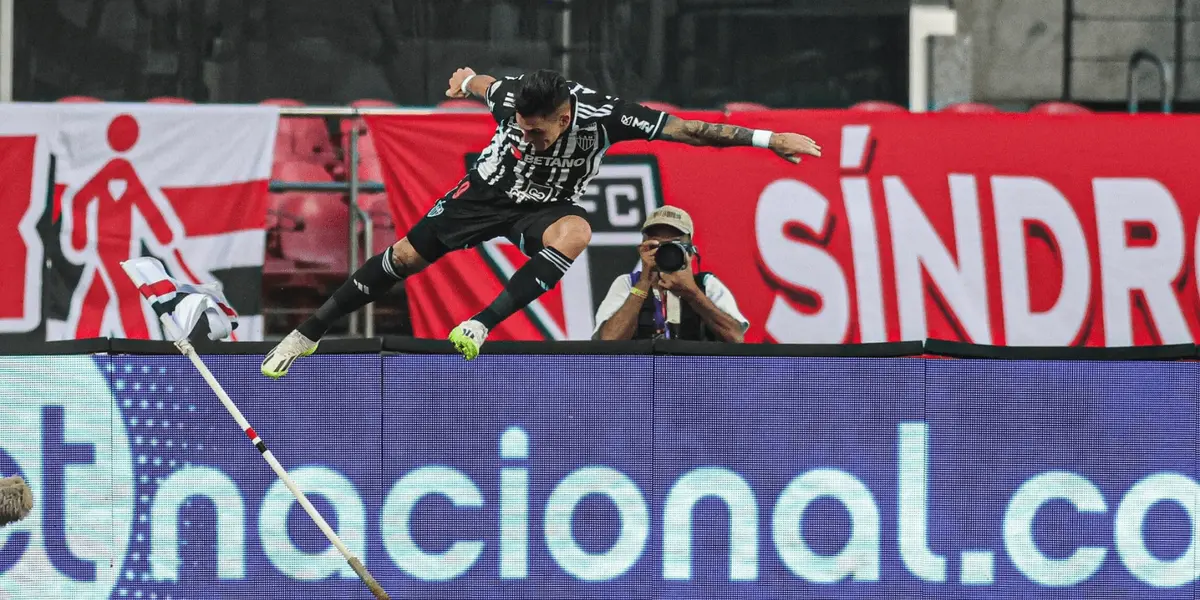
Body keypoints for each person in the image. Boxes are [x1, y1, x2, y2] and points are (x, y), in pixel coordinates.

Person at [262, 67, 821, 377]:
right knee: (403, 258)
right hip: (486, 192)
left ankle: (479, 324)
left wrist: (770, 140)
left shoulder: (608, 116)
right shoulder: (513, 100)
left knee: (577, 232)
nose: (528, 138)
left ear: (564, 115)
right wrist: (466, 81)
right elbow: (482, 84)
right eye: (521, 128)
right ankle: (306, 332)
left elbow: (692, 131)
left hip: (546, 207)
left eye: (538, 132)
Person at [593, 206, 748, 342]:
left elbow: (735, 337)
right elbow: (608, 342)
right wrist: (643, 284)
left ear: (690, 252)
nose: (665, 252)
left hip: (696, 373)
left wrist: (692, 293)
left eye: (674, 245)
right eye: (656, 245)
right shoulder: (628, 284)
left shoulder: (707, 285)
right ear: (643, 249)